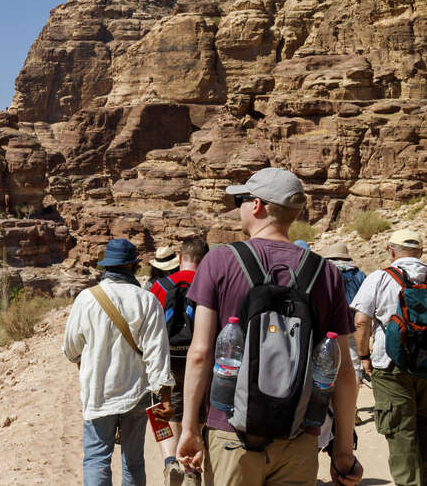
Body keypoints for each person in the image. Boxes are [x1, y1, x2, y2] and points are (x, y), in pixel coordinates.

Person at [177, 168, 361, 486]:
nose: (238, 207)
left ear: (258, 205)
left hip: (232, 433)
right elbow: (343, 371)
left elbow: (200, 353)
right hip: (300, 435)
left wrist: (190, 428)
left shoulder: (220, 261)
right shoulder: (325, 273)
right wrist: (343, 450)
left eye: (241, 199)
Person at [64, 238, 175, 486]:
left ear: (107, 267)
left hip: (98, 393)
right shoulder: (147, 301)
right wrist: (164, 395)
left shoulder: (86, 298)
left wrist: (86, 364)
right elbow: (157, 353)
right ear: (133, 267)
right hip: (137, 394)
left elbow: (71, 347)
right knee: (133, 460)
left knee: (96, 459)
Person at [351, 228, 427, 486]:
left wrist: (364, 356)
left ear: (391, 250)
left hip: (390, 364)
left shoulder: (380, 277)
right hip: (426, 365)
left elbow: (361, 322)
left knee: (400, 431)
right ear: (421, 251)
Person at [147, 238, 208, 486]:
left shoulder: (159, 286)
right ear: (204, 261)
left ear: (180, 258)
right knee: (197, 412)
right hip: (200, 361)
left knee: (163, 412)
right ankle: (192, 468)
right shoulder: (208, 284)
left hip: (166, 361)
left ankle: (170, 461)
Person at [324, 241, 368, 385]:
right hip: (353, 323)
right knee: (354, 365)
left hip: (330, 325)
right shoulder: (359, 275)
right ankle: (352, 405)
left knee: (329, 364)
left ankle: (332, 404)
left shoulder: (325, 273)